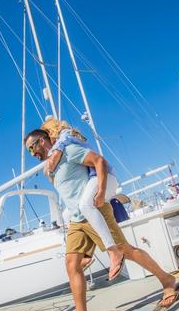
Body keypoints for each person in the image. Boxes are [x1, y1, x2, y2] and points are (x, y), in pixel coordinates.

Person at [25, 129, 179, 311]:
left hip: (94, 211)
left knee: (127, 251)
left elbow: (99, 162)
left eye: (32, 147)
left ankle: (167, 280)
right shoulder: (50, 166)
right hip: (76, 221)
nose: (32, 153)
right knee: (72, 264)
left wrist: (100, 192)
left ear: (42, 140)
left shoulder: (68, 151)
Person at [40, 117, 124, 280]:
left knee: (86, 205)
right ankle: (86, 253)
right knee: (67, 215)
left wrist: (100, 191)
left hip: (104, 177)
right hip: (94, 178)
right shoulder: (63, 145)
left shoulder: (65, 139)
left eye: (45, 136)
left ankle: (114, 252)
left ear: (51, 133)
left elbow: (98, 161)